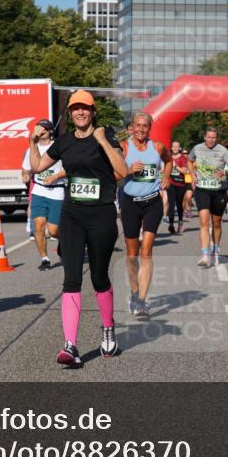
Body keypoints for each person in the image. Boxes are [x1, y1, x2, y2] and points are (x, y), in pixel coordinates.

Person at [28, 90, 128, 367]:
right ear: (70, 114)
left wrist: (103, 143)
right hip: (72, 215)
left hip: (102, 215)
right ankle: (70, 345)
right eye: (75, 109)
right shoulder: (65, 142)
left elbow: (123, 170)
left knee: (98, 276)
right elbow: (37, 167)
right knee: (71, 278)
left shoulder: (105, 136)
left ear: (93, 111)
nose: (80, 113)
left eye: (85, 108)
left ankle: (108, 327)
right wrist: (32, 141)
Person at [120, 112, 172, 317]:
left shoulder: (157, 147)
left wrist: (166, 177)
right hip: (131, 203)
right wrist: (129, 170)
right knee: (132, 254)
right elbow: (114, 172)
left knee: (146, 251)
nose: (141, 129)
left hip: (152, 203)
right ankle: (134, 292)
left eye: (145, 126)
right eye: (138, 126)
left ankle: (141, 300)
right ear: (132, 127)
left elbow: (168, 161)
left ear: (149, 128)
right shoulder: (124, 147)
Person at [21, 119, 66, 269]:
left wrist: (55, 176)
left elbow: (69, 168)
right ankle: (44, 259)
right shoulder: (31, 148)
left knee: (53, 231)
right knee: (38, 225)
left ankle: (64, 240)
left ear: (50, 131)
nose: (40, 131)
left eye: (43, 128)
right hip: (39, 190)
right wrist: (26, 175)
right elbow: (26, 168)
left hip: (57, 190)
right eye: (38, 128)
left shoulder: (58, 147)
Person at [189, 127, 228, 266]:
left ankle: (215, 251)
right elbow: (189, 160)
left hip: (219, 190)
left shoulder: (222, 150)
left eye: (214, 137)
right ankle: (205, 254)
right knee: (204, 221)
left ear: (217, 138)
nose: (211, 140)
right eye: (209, 137)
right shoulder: (197, 148)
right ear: (204, 137)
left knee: (216, 223)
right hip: (202, 189)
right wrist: (192, 175)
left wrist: (226, 173)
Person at [166, 140, 190, 234]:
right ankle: (171, 224)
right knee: (171, 204)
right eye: (173, 146)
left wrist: (175, 166)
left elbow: (185, 171)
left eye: (177, 146)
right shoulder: (168, 157)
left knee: (179, 204)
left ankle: (180, 222)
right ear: (171, 148)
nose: (175, 148)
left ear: (180, 148)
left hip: (181, 184)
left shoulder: (183, 158)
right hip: (171, 183)